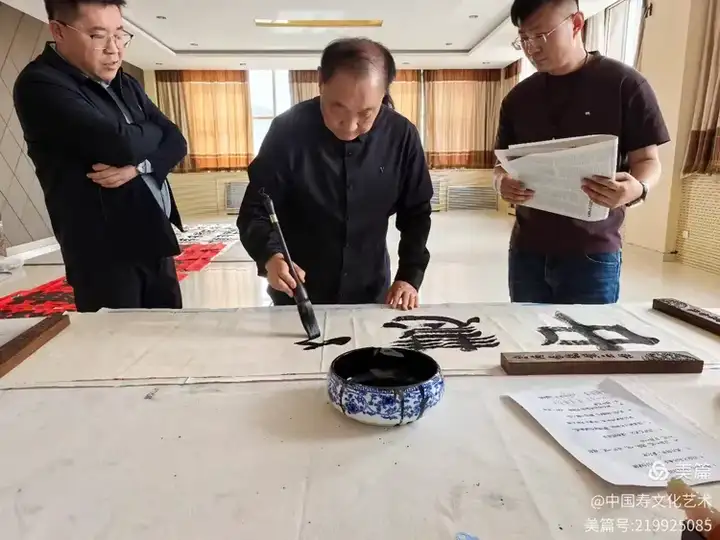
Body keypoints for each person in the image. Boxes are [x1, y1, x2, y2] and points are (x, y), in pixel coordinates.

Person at [13, 0, 188, 312]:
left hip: (154, 234)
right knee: (117, 340)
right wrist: (151, 131)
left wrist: (138, 167)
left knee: (170, 331)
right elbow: (119, 145)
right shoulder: (41, 84)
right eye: (97, 36)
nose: (114, 49)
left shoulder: (125, 82)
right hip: (104, 253)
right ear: (58, 31)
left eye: (119, 34)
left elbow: (176, 139)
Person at [494, 0, 669, 304]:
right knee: (525, 332)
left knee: (588, 335)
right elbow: (500, 166)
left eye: (540, 36)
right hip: (527, 250)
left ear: (576, 23)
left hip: (592, 252)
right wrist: (501, 183)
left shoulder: (625, 85)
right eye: (523, 39)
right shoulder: (518, 98)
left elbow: (648, 161)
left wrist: (637, 188)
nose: (531, 48)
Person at [238, 38, 432, 310]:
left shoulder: (401, 136)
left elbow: (416, 213)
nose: (350, 126)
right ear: (320, 80)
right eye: (337, 108)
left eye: (366, 114)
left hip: (371, 289)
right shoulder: (287, 131)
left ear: (384, 93)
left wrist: (409, 276)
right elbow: (255, 211)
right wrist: (271, 256)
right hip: (298, 293)